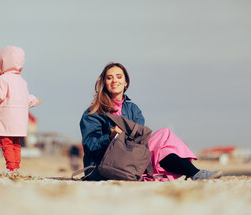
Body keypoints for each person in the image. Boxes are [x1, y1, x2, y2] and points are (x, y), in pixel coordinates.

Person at [80, 62, 222, 181]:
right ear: (104, 83)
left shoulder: (133, 109)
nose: (114, 81)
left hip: (130, 156)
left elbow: (141, 139)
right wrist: (110, 137)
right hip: (103, 166)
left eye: (119, 77)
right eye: (109, 78)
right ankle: (195, 173)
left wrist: (127, 140)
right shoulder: (94, 112)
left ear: (126, 82)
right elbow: (91, 144)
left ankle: (195, 173)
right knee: (161, 138)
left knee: (163, 141)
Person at [0, 45, 41, 176]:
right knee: (16, 144)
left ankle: (11, 169)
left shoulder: (2, 79)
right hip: (20, 120)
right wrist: (35, 100)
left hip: (7, 118)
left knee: (6, 143)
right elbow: (25, 99)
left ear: (4, 63)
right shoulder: (22, 81)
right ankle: (15, 168)